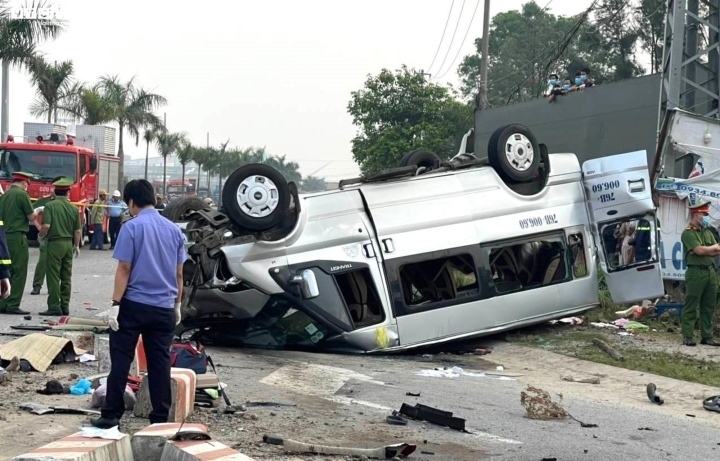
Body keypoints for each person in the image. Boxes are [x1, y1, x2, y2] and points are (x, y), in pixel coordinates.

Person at [91, 179, 186, 429]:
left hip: (133, 305)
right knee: (159, 363)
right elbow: (179, 274)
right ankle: (160, 418)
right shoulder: (175, 231)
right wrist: (177, 304)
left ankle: (111, 415)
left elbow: (124, 268)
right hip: (164, 308)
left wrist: (115, 303)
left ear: (132, 202)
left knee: (121, 360)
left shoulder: (131, 228)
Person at [37, 178, 81, 316]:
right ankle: (65, 306)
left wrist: (40, 236)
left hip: (55, 243)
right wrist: (77, 246)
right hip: (69, 244)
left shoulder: (50, 206)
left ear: (55, 192)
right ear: (68, 193)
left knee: (53, 276)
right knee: (66, 276)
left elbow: (46, 226)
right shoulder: (74, 208)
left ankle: (54, 306)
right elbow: (78, 231)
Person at [681, 201, 720, 347]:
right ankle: (688, 336)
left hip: (710, 272)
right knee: (692, 304)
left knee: (709, 305)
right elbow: (699, 250)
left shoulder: (708, 232)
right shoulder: (688, 233)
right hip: (695, 272)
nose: (706, 218)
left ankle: (707, 336)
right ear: (697, 215)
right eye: (704, 215)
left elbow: (717, 250)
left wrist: (711, 249)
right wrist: (711, 248)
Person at [0, 172, 37, 315]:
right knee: (19, 271)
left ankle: (2, 302)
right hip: (17, 236)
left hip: (3, 236)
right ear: (24, 183)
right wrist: (38, 210)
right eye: (27, 185)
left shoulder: (4, 196)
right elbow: (31, 216)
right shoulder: (22, 195)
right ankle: (13, 303)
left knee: (4, 270)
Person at [30, 186, 57, 295]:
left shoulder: (66, 203)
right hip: (46, 235)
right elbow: (31, 212)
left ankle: (54, 288)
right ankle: (37, 286)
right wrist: (37, 225)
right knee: (42, 262)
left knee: (56, 264)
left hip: (58, 236)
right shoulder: (44, 200)